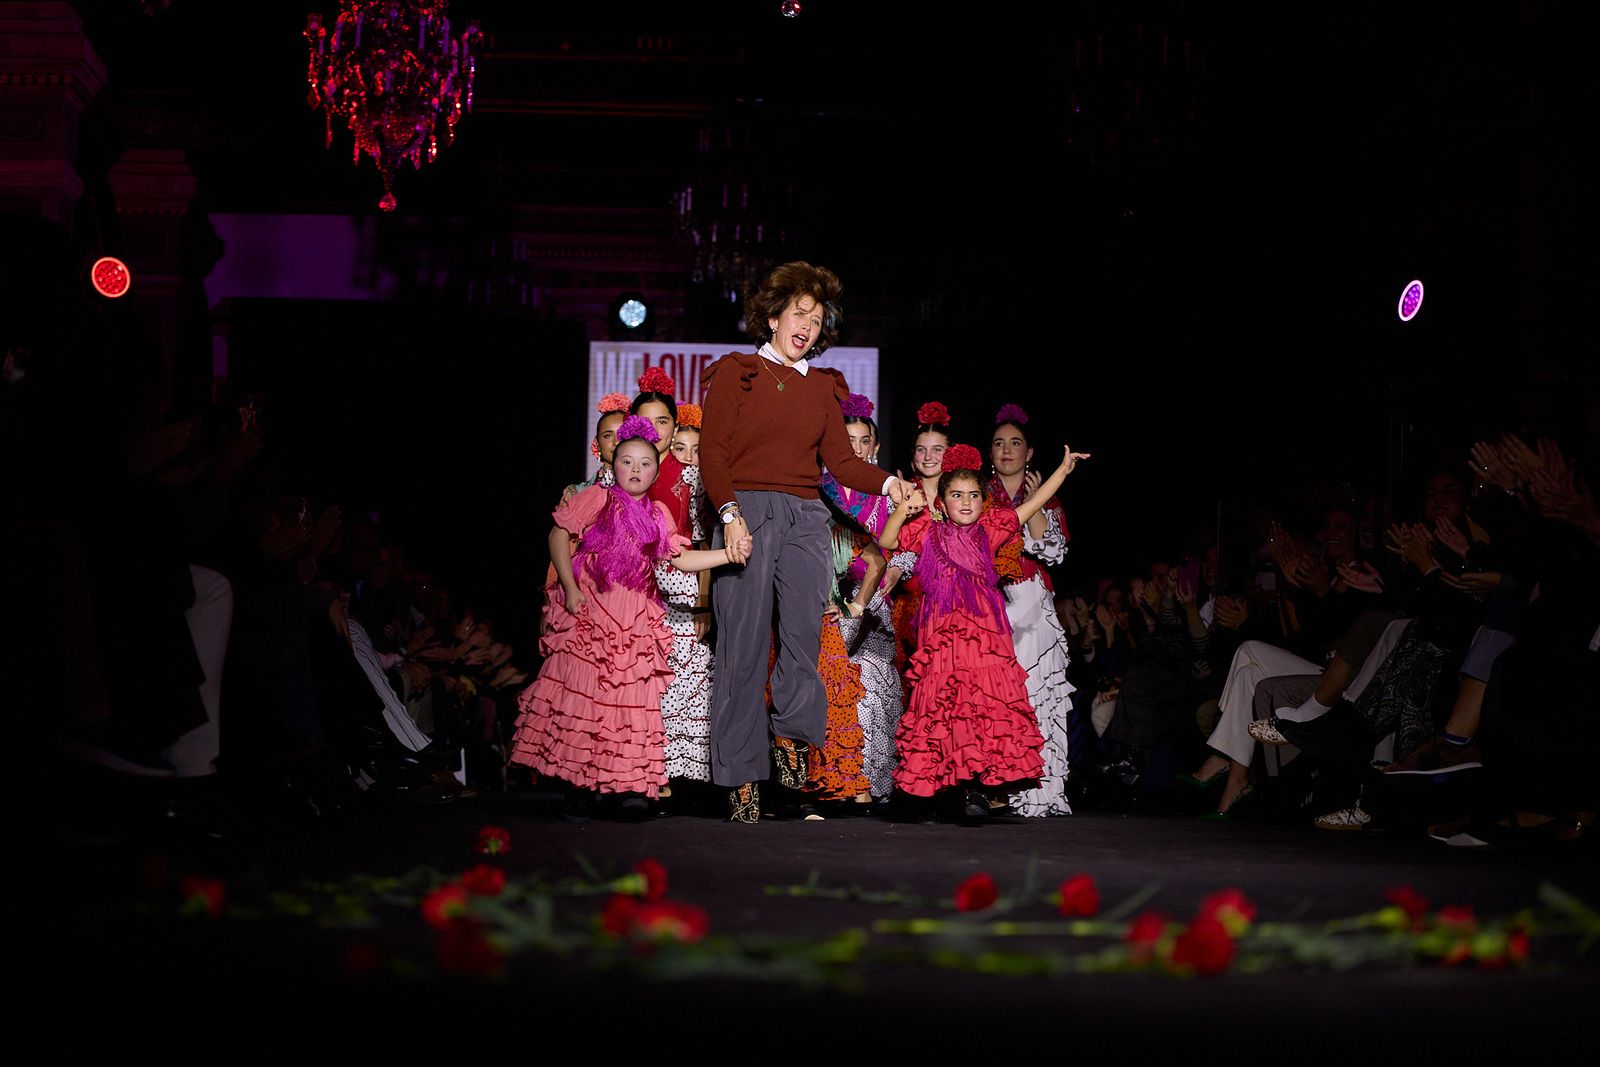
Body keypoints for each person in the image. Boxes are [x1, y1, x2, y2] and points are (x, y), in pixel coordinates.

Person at [699, 261, 915, 822]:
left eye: (817, 320)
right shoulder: (737, 372)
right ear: (773, 317)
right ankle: (740, 777)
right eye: (799, 314)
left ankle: (791, 743)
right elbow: (713, 453)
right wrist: (729, 515)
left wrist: (888, 483)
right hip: (745, 509)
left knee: (802, 638)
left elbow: (841, 462)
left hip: (804, 517)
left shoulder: (822, 387)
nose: (807, 326)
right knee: (743, 648)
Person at [509, 416, 749, 821]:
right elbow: (557, 536)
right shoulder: (596, 499)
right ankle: (579, 791)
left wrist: (728, 554)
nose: (636, 470)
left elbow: (680, 559)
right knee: (584, 701)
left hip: (635, 619)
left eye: (645, 463)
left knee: (629, 704)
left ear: (656, 471)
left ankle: (627, 789)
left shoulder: (658, 513)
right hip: (591, 613)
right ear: (613, 465)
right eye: (627, 461)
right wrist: (570, 588)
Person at [878, 441, 1091, 820]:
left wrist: (1062, 470)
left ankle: (973, 788)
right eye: (957, 495)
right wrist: (902, 509)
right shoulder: (927, 531)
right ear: (942, 501)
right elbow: (887, 541)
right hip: (941, 639)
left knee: (978, 710)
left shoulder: (990, 530)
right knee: (943, 710)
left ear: (983, 501)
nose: (965, 502)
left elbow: (1032, 504)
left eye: (973, 495)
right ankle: (941, 789)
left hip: (983, 639)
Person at [988, 403, 1076, 816]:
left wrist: (1034, 500)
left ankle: (1038, 792)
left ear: (1030, 452)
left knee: (1037, 694)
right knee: (993, 697)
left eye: (1015, 443)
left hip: (1032, 605)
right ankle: (995, 786)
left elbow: (1054, 552)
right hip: (988, 604)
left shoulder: (1047, 498)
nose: (1007, 450)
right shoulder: (976, 495)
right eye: (999, 443)